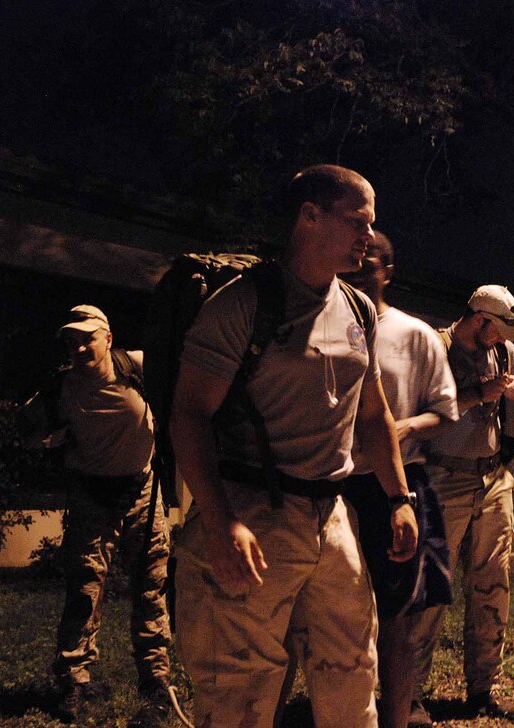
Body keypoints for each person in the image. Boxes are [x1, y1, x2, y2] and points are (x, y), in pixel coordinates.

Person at [170, 164, 418, 728]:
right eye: (356, 222)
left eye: (370, 225)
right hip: (253, 510)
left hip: (332, 516)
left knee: (353, 670)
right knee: (239, 687)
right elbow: (188, 415)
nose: (367, 238)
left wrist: (398, 497)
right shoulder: (242, 305)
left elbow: (375, 413)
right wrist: (218, 519)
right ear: (310, 215)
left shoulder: (357, 309)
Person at [337, 231, 458, 728]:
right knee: (332, 608)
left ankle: (398, 714)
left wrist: (403, 426)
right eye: (355, 260)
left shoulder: (414, 334)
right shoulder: (322, 322)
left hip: (395, 482)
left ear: (388, 271)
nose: (362, 268)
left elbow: (445, 409)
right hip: (331, 480)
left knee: (399, 614)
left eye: (372, 263)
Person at [409, 284, 514, 726]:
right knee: (431, 593)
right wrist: (476, 397)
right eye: (499, 331)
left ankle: (485, 689)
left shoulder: (500, 353)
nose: (503, 341)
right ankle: (410, 696)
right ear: (480, 320)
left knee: (493, 585)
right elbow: (420, 412)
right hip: (445, 479)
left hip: (493, 477)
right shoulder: (435, 348)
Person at [41, 305, 172, 725]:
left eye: (87, 338)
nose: (79, 347)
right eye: (71, 340)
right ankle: (73, 681)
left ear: (108, 338)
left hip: (141, 493)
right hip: (91, 495)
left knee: (151, 586)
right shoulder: (62, 387)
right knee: (84, 590)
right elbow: (30, 429)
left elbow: (184, 389)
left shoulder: (136, 367)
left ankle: (156, 680)